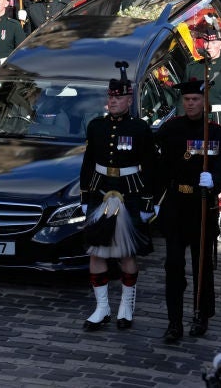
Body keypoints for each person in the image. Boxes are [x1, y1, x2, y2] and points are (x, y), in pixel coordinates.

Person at [78, 63, 157, 331]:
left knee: (126, 253)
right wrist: (85, 193)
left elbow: (150, 165)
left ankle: (126, 305)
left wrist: (148, 200)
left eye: (118, 97)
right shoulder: (96, 126)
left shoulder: (139, 129)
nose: (112, 101)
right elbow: (89, 161)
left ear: (129, 99)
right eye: (110, 96)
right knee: (97, 252)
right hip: (101, 191)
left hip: (130, 192)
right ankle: (101, 307)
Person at [154, 78, 221, 344]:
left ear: (205, 102)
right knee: (173, 266)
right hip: (176, 204)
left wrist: (215, 180)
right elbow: (159, 166)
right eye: (186, 100)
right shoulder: (170, 129)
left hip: (201, 206)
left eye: (195, 100)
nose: (190, 104)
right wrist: (152, 200)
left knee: (202, 267)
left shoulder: (217, 132)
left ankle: (201, 315)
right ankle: (173, 321)